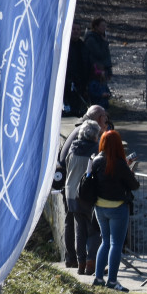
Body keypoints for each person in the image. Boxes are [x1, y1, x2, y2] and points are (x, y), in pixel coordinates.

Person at [88, 130, 139, 292]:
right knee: (116, 244)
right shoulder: (119, 163)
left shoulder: (96, 161)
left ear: (102, 143)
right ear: (118, 145)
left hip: (99, 208)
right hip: (117, 208)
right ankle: (112, 281)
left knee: (105, 241)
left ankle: (98, 278)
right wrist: (129, 171)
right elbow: (134, 186)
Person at [63, 106, 109, 275]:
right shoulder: (96, 151)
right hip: (87, 195)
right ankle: (91, 262)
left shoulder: (73, 149)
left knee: (79, 230)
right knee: (94, 230)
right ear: (94, 135)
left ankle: (80, 264)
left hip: (71, 194)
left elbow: (68, 167)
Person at [63, 24, 89, 116]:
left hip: (80, 80)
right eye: (73, 29)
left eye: (78, 29)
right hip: (66, 80)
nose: (76, 31)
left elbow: (86, 64)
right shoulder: (65, 45)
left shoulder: (83, 46)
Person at [82, 18, 112, 82]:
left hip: (103, 71)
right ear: (96, 27)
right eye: (102, 26)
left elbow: (107, 56)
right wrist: (105, 43)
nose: (104, 28)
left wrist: (109, 71)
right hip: (95, 72)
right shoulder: (91, 39)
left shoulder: (102, 38)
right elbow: (100, 55)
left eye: (105, 26)